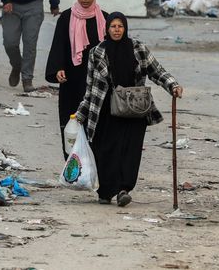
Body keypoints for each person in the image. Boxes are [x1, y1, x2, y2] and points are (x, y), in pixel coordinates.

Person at [75, 12, 183, 206]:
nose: (117, 30)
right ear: (107, 29)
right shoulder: (97, 52)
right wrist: (82, 112)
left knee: (130, 151)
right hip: (106, 111)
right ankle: (106, 190)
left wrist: (172, 85)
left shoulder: (138, 48)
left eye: (120, 26)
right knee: (107, 150)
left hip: (135, 108)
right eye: (113, 27)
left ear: (125, 28)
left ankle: (123, 189)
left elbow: (156, 71)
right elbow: (90, 86)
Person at [45, 0, 108, 158]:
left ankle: (94, 162)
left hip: (97, 80)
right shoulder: (66, 17)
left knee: (97, 120)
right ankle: (72, 162)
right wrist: (58, 68)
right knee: (71, 119)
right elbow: (59, 45)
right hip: (72, 78)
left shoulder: (104, 18)